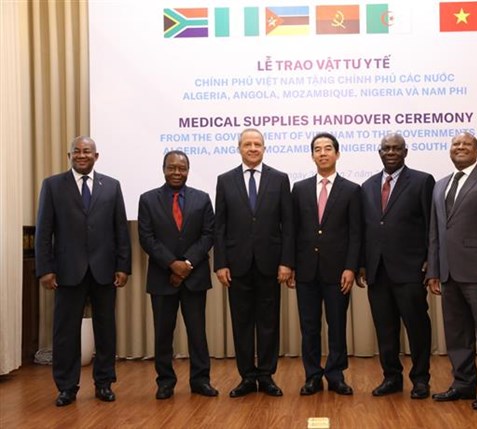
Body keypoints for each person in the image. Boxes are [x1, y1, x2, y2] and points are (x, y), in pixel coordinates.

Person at [35, 136, 131, 407]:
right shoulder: (53, 185)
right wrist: (45, 269)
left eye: (86, 151)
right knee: (65, 332)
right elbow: (44, 231)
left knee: (106, 329)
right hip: (66, 271)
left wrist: (123, 266)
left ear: (96, 156)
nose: (81, 155)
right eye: (76, 151)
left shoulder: (112, 186)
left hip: (104, 271)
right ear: (70, 155)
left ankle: (104, 383)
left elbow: (120, 230)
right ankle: (66, 387)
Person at [426, 131, 477, 410]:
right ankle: (463, 384)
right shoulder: (440, 186)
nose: (460, 147)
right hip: (449, 274)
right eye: (455, 144)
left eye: (466, 144)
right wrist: (434, 270)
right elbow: (435, 233)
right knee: (457, 333)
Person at [214, 128, 294, 397]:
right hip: (236, 266)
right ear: (239, 148)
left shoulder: (280, 179)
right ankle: (247, 376)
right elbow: (220, 226)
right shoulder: (224, 180)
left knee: (269, 322)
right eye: (247, 144)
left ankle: (267, 376)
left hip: (270, 265)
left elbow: (288, 226)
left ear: (264, 148)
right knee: (242, 323)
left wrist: (286, 262)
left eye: (257, 144)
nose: (252, 148)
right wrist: (220, 263)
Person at [357, 133, 435, 399]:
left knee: (417, 327)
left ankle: (421, 379)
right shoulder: (366, 186)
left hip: (411, 269)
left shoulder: (423, 181)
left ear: (405, 152)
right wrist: (361, 264)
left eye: (396, 148)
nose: (391, 152)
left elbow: (430, 225)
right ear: (379, 153)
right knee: (385, 328)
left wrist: (429, 260)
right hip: (377, 271)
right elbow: (363, 230)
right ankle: (391, 377)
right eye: (386, 148)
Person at [138, 150, 218, 400]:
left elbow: (208, 235)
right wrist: (172, 264)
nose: (176, 172)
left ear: (188, 170)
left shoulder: (202, 199)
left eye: (181, 168)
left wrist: (186, 264)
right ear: (163, 169)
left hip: (194, 277)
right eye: (172, 168)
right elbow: (146, 238)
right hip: (162, 277)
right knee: (163, 333)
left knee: (197, 333)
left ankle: (200, 380)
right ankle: (165, 382)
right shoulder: (148, 199)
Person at [289, 132, 362, 396]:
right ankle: (312, 376)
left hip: (338, 272)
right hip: (306, 270)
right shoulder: (299, 189)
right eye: (317, 149)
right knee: (309, 327)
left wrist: (351, 267)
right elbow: (292, 231)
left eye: (328, 148)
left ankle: (335, 374)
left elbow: (356, 233)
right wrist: (291, 265)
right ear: (312, 155)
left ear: (337, 154)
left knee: (337, 326)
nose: (322, 153)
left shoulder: (352, 190)